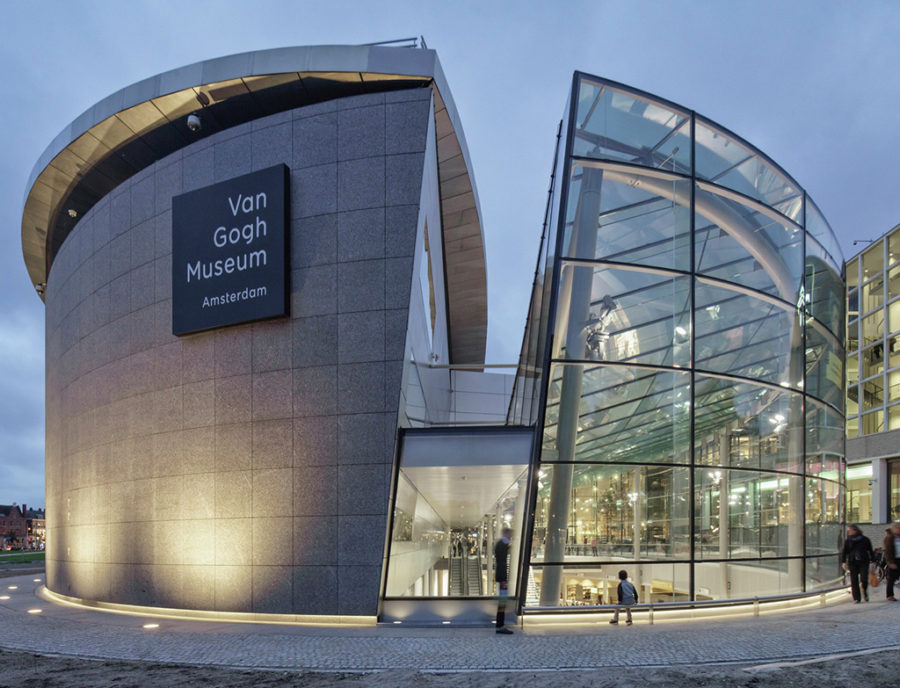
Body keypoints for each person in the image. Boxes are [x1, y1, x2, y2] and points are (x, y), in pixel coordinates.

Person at [842, 524, 874, 603]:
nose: (848, 532)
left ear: (855, 530)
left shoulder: (865, 539)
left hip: (863, 561)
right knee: (854, 580)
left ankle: (865, 591)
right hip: (852, 562)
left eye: (850, 530)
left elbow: (870, 550)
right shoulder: (848, 541)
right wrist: (843, 562)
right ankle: (857, 598)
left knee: (864, 579)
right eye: (848, 531)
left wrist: (873, 561)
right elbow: (844, 552)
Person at [494, 527, 514, 634]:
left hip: (501, 577)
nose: (511, 537)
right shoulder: (502, 544)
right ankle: (500, 625)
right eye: (510, 535)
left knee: (502, 602)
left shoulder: (501, 544)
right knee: (502, 602)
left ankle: (500, 625)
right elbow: (502, 562)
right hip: (502, 578)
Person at [883, 523, 900, 601]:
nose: (899, 529)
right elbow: (887, 551)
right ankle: (890, 595)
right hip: (894, 560)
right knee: (892, 578)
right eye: (897, 527)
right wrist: (890, 562)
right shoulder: (890, 538)